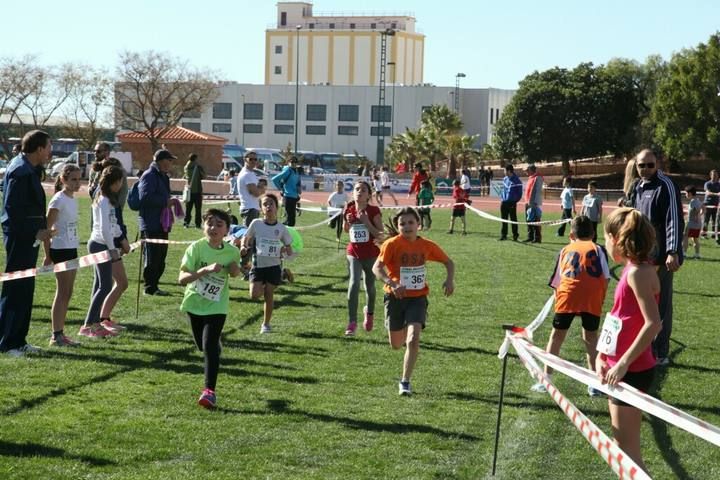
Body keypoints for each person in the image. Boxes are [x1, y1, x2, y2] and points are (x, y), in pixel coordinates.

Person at [596, 207, 661, 475]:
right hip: (619, 368)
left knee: (627, 452)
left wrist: (621, 364)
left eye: (606, 238)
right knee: (621, 447)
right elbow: (618, 317)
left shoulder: (638, 273)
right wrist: (603, 356)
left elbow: (653, 323)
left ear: (615, 238)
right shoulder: (632, 269)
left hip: (632, 370)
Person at [372, 207, 455, 395]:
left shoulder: (427, 245)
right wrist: (392, 283)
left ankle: (405, 382)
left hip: (417, 298)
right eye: (402, 224)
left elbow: (449, 262)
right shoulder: (392, 244)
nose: (407, 226)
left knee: (413, 339)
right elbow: (376, 268)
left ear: (418, 224)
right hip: (395, 298)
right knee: (396, 344)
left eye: (411, 222)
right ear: (397, 226)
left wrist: (449, 279)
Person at [530, 216, 610, 397]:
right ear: (592, 233)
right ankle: (595, 383)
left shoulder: (565, 249)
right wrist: (599, 298)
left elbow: (556, 281)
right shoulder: (598, 249)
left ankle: (546, 380)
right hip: (592, 296)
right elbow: (605, 278)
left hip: (568, 294)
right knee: (591, 338)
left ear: (571, 234)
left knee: (557, 337)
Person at [179, 209, 241, 409]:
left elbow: (235, 271)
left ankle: (209, 392)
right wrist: (204, 270)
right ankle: (214, 347)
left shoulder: (232, 252)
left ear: (226, 231)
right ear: (203, 226)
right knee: (203, 346)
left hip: (217, 306)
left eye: (219, 224)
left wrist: (234, 269)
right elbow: (182, 280)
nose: (213, 228)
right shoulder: (196, 248)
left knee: (209, 346)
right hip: (194, 304)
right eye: (210, 223)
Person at [0, 130, 54, 356]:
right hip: (20, 238)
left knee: (25, 289)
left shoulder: (29, 169)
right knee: (15, 289)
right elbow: (12, 211)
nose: (51, 152)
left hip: (29, 238)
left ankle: (19, 339)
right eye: (49, 147)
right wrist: (35, 232)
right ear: (39, 148)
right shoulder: (20, 171)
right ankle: (7, 343)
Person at [631, 149, 683, 366]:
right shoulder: (637, 187)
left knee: (661, 305)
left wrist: (673, 252)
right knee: (638, 303)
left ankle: (660, 352)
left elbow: (674, 219)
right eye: (641, 165)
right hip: (639, 255)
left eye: (650, 165)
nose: (645, 169)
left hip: (660, 257)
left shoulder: (666, 185)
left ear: (657, 164)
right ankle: (642, 349)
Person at [80, 166, 125, 338]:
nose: (121, 184)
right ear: (115, 182)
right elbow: (105, 229)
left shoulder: (108, 198)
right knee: (105, 285)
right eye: (120, 181)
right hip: (100, 245)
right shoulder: (104, 200)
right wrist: (113, 249)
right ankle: (89, 325)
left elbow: (112, 225)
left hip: (105, 244)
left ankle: (93, 324)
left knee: (100, 285)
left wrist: (121, 237)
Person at [240, 194, 293, 334]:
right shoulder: (256, 223)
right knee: (254, 295)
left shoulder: (281, 228)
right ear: (261, 208)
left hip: (273, 266)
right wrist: (243, 247)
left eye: (271, 204)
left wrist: (284, 251)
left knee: (269, 294)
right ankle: (283, 274)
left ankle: (266, 324)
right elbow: (246, 237)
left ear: (277, 207)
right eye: (265, 204)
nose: (268, 206)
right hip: (258, 266)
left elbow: (289, 249)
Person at [42, 164, 82, 347]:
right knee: (63, 291)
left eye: (78, 179)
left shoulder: (72, 199)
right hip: (60, 249)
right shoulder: (58, 200)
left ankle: (60, 333)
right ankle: (56, 335)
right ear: (63, 180)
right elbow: (46, 229)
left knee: (69, 292)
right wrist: (47, 255)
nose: (77, 183)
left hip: (71, 248)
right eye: (73, 179)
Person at [342, 180, 384, 336]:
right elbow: (347, 230)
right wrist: (346, 220)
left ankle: (370, 313)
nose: (359, 192)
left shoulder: (373, 211)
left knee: (370, 287)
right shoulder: (350, 209)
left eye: (363, 190)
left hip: (371, 253)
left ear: (369, 195)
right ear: (353, 193)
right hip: (354, 252)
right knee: (353, 283)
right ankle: (352, 322)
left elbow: (381, 235)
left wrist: (366, 222)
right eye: (357, 189)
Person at [139, 149, 175, 296]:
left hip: (162, 223)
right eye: (169, 160)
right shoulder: (149, 176)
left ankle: (155, 285)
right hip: (151, 223)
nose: (170, 164)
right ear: (161, 161)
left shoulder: (163, 177)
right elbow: (145, 198)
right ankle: (150, 287)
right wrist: (165, 202)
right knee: (152, 257)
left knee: (161, 257)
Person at [271, 156, 301, 226]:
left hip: (294, 196)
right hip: (288, 196)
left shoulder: (296, 171)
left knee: (291, 218)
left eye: (295, 162)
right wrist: (281, 188)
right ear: (288, 162)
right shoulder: (287, 171)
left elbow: (297, 182)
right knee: (291, 219)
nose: (294, 163)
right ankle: (286, 233)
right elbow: (275, 179)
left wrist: (298, 188)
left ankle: (284, 232)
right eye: (292, 162)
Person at [499, 164, 523, 241]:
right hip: (504, 202)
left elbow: (519, 193)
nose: (503, 172)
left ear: (509, 171)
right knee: (503, 219)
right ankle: (503, 235)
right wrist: (502, 199)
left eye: (504, 170)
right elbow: (503, 190)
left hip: (512, 203)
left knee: (513, 220)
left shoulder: (517, 180)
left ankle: (515, 236)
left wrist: (514, 201)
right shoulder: (505, 179)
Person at [238, 152, 261, 227]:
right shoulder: (247, 174)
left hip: (252, 208)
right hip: (250, 209)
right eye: (251, 159)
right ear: (245, 159)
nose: (253, 161)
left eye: (255, 159)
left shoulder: (251, 173)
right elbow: (255, 193)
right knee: (248, 236)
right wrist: (262, 188)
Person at [183, 153, 205, 228]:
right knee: (198, 209)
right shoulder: (197, 167)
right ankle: (198, 224)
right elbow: (204, 176)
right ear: (195, 159)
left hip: (189, 191)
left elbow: (186, 177)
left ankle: (186, 223)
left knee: (188, 209)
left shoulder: (186, 167)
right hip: (197, 191)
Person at [523, 164, 544, 243]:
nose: (526, 172)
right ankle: (530, 236)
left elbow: (537, 191)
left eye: (527, 171)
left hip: (534, 203)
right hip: (528, 202)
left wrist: (534, 202)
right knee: (529, 220)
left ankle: (537, 238)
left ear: (531, 170)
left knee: (535, 220)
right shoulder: (531, 178)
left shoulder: (537, 178)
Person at [683, 185, 703, 259]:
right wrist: (699, 215)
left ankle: (684, 253)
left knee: (685, 237)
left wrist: (696, 216)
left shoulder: (693, 202)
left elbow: (696, 210)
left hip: (692, 224)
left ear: (690, 193)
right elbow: (703, 209)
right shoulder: (698, 200)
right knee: (695, 239)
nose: (685, 195)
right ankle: (697, 254)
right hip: (697, 224)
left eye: (686, 193)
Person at [702, 169, 720, 240]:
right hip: (707, 204)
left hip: (716, 204)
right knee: (706, 220)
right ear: (710, 176)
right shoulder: (707, 183)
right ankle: (704, 234)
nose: (715, 176)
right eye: (713, 175)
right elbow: (708, 193)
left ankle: (713, 235)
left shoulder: (719, 184)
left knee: (715, 220)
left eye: (716, 175)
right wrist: (717, 194)